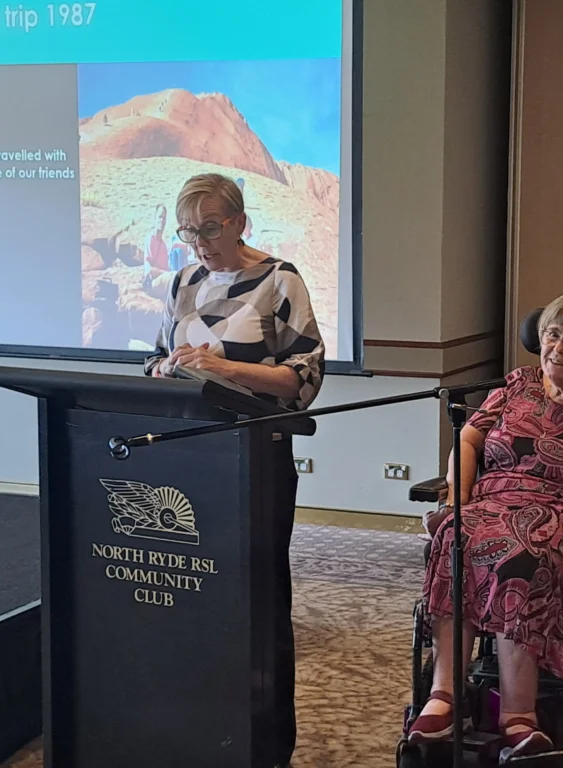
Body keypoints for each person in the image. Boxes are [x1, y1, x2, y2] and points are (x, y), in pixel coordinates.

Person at [408, 290, 563, 759]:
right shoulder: (518, 385)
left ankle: (517, 714)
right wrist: (458, 498)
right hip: (490, 503)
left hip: (557, 514)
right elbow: (467, 441)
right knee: (454, 535)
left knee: (519, 552)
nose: (557, 348)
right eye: (552, 335)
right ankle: (445, 695)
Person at [144, 173, 325, 767]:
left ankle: (265, 742)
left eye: (210, 228)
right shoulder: (184, 281)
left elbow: (303, 381)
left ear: (240, 223)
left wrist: (223, 369)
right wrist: (164, 368)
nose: (199, 243)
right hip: (186, 459)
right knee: (190, 592)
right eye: (188, 232)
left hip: (254, 457)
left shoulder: (280, 280)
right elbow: (155, 356)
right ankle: (192, 724)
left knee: (257, 595)